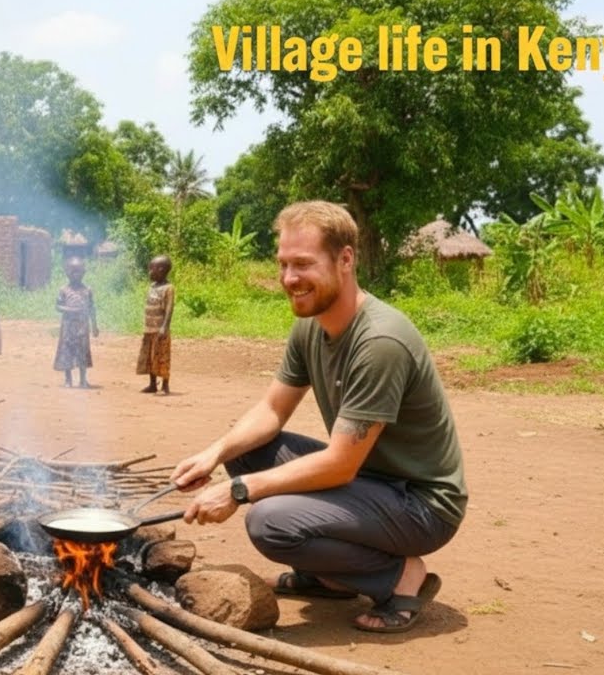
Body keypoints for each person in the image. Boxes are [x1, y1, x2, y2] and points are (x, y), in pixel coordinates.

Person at [170, 201, 467, 634]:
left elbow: (340, 464)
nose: (290, 279)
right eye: (284, 264)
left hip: (419, 505)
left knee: (267, 521)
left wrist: (237, 491)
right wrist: (214, 454)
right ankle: (327, 576)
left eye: (303, 264)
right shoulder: (312, 325)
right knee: (248, 451)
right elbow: (273, 409)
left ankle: (399, 578)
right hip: (371, 480)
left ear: (345, 259)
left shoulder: (379, 341)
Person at [53, 256, 98, 387]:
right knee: (67, 351)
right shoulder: (64, 290)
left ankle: (83, 380)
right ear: (67, 272)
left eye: (78, 271)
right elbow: (57, 306)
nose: (75, 274)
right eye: (72, 271)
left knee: (82, 351)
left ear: (83, 272)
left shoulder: (87, 290)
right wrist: (70, 309)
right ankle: (68, 380)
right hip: (68, 327)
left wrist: (94, 326)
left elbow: (92, 308)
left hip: (83, 327)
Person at [137, 254, 175, 395]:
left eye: (152, 269)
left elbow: (170, 308)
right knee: (150, 356)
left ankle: (165, 384)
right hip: (149, 328)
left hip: (160, 329)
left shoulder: (168, 288)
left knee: (162, 356)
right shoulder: (152, 286)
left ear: (161, 269)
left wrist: (164, 326)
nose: (149, 272)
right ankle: (152, 384)